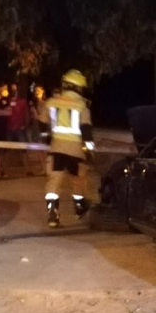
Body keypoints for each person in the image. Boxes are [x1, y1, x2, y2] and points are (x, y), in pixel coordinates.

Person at [38, 69, 94, 228]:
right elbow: (86, 130)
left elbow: (42, 122)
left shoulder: (51, 102)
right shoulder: (82, 106)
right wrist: (90, 150)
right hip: (75, 152)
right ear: (78, 88)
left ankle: (52, 215)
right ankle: (79, 208)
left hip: (56, 150)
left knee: (54, 183)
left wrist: (46, 137)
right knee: (78, 181)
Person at [8, 83, 33, 175]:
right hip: (9, 128)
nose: (14, 90)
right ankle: (2, 170)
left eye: (15, 89)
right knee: (5, 148)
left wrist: (25, 125)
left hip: (19, 128)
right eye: (12, 88)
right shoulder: (8, 101)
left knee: (23, 150)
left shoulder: (22, 102)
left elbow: (26, 114)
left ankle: (28, 169)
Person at [27, 85, 48, 175]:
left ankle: (47, 168)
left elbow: (44, 117)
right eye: (36, 90)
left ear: (43, 91)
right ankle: (44, 168)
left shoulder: (45, 104)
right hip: (35, 128)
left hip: (43, 128)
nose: (37, 92)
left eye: (39, 90)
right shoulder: (33, 103)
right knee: (39, 150)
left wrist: (36, 114)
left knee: (45, 149)